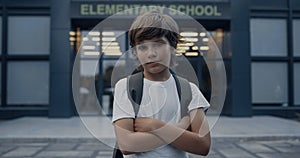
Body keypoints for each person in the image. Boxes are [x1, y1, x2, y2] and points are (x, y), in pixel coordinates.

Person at [112, 11, 210, 158]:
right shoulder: (126, 87)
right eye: (143, 47)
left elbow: (203, 145)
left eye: (158, 44)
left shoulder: (189, 90)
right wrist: (179, 128)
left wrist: (156, 126)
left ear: (173, 47)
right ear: (135, 52)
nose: (151, 53)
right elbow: (127, 144)